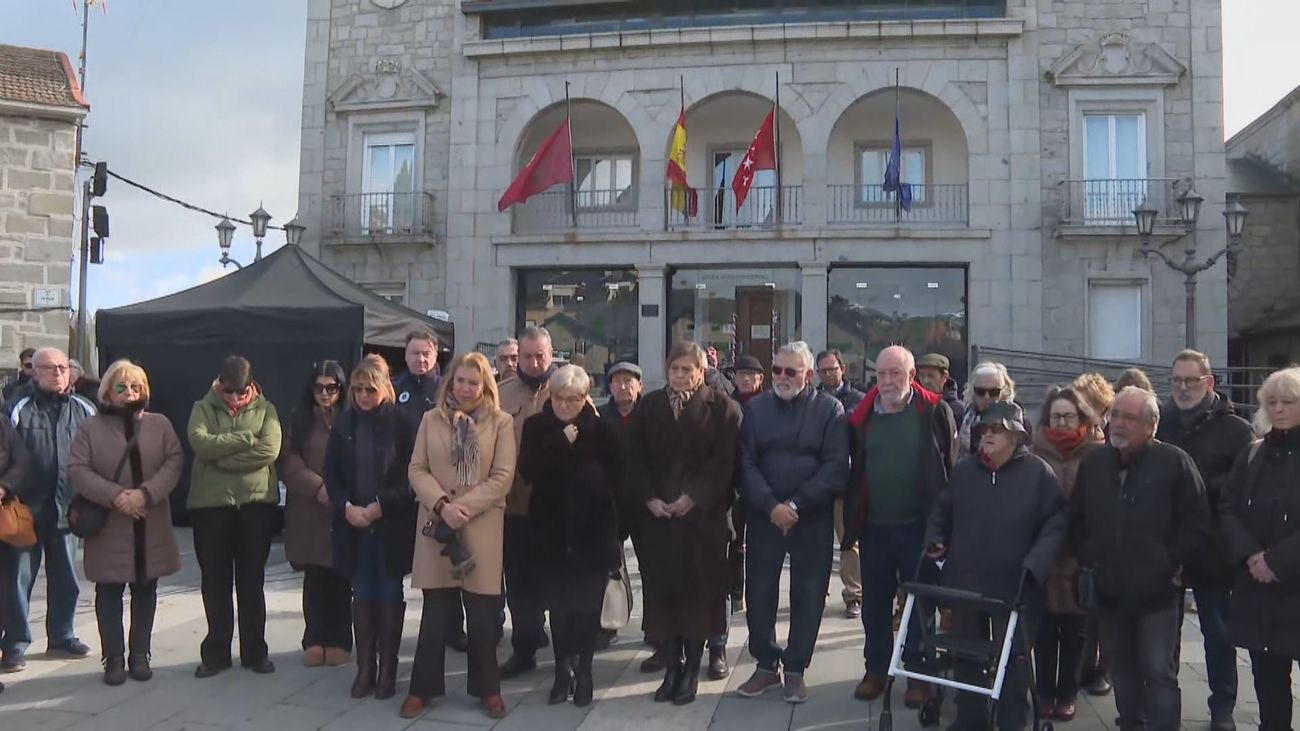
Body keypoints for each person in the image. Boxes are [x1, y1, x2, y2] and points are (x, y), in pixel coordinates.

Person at [1070, 386, 1211, 731]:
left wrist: (1167, 562)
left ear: (1151, 425)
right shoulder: (1094, 462)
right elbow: (1077, 518)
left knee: (1158, 672)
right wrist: (1090, 558)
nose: (1117, 423)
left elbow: (1197, 523)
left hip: (1156, 593)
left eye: (1128, 417)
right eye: (1114, 414)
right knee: (1122, 669)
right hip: (1109, 591)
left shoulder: (1174, 462)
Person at [927, 401, 1067, 731]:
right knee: (967, 653)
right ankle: (970, 718)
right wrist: (934, 538)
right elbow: (941, 510)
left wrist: (1035, 564)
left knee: (1014, 658)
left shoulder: (1038, 473)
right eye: (984, 429)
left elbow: (1056, 523)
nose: (987, 434)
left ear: (1016, 436)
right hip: (966, 580)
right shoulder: (964, 471)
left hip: (1015, 584)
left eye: (996, 429)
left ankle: (1012, 721)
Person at [843, 345, 956, 708]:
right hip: (874, 528)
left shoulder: (934, 411)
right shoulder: (862, 416)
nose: (888, 381)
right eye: (882, 374)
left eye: (896, 374)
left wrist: (943, 528)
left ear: (911, 376)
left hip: (918, 528)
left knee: (920, 604)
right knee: (874, 604)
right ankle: (877, 670)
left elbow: (948, 471)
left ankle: (917, 674)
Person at [403, 352, 515, 720]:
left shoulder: (501, 423)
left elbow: (502, 478)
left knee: (482, 615)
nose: (465, 389)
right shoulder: (430, 420)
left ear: (485, 386)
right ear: (450, 383)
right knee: (436, 614)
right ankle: (422, 689)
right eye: (460, 381)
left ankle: (488, 690)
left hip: (479, 524)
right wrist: (441, 505)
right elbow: (417, 469)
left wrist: (462, 507)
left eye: (473, 382)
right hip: (438, 525)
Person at [736, 342, 849, 704]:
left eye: (791, 372)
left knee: (809, 593)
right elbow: (746, 465)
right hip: (765, 515)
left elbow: (835, 466)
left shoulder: (830, 409)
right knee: (759, 591)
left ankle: (796, 668)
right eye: (777, 371)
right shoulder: (756, 409)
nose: (782, 378)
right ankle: (766, 665)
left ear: (809, 375)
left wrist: (796, 505)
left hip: (810, 516)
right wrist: (772, 507)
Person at [628, 341, 740, 705]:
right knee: (664, 595)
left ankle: (692, 667)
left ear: (701, 371)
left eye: (687, 369)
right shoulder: (650, 406)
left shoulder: (721, 407)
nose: (680, 375)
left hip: (701, 521)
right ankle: (672, 667)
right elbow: (635, 459)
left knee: (698, 596)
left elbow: (724, 463)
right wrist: (650, 499)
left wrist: (692, 498)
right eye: (674, 368)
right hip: (659, 521)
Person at [67, 360, 182, 686]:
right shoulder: (91, 427)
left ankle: (140, 655)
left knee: (146, 590)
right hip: (110, 525)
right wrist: (117, 496)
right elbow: (77, 468)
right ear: (108, 391)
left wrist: (144, 495)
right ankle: (113, 657)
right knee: (109, 592)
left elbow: (174, 462)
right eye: (122, 387)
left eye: (135, 386)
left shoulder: (160, 424)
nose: (129, 392)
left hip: (150, 520)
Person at [1155, 350, 1253, 731]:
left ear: (1209, 383)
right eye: (1177, 380)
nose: (1182, 388)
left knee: (1218, 632)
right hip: (1170, 545)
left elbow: (1240, 491)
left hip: (1215, 548)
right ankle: (1164, 705)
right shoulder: (1161, 423)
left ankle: (1223, 707)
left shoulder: (1236, 430)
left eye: (1191, 380)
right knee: (1165, 633)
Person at [519, 365, 622, 707]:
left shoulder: (602, 430)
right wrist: (559, 443)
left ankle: (586, 670)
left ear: (584, 398)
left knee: (587, 609)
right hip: (550, 533)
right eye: (558, 398)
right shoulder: (537, 427)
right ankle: (562, 670)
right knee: (559, 609)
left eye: (572, 399)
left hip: (593, 535)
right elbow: (528, 471)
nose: (564, 405)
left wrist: (616, 536)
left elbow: (617, 481)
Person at [323, 355, 418, 700]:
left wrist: (381, 505)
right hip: (354, 524)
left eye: (370, 389)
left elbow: (412, 473)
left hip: (389, 522)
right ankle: (366, 669)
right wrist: (346, 506)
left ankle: (388, 671)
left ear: (384, 389)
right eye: (358, 389)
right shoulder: (344, 424)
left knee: (389, 594)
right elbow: (330, 473)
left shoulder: (404, 423)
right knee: (361, 594)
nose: (363, 395)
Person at [186, 355, 282, 678]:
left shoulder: (266, 410)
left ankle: (255, 651)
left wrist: (223, 460)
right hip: (211, 506)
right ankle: (216, 653)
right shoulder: (202, 407)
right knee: (215, 581)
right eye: (228, 392)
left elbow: (269, 450)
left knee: (251, 581)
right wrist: (244, 440)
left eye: (241, 393)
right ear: (219, 384)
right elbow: (201, 444)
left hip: (255, 505)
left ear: (251, 386)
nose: (235, 398)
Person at [1, 346, 96, 672]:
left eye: (62, 367)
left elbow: (97, 454)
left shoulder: (85, 409)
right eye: (50, 368)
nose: (58, 373)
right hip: (24, 510)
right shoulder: (17, 407)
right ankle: (14, 644)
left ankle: (62, 636)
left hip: (68, 509)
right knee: (17, 581)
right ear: (34, 372)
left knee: (66, 577)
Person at [1219, 367, 1300, 731]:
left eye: (1289, 401)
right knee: (1269, 688)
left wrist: (1276, 562)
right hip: (1259, 593)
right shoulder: (1253, 454)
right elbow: (1228, 506)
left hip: (1293, 585)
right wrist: (1252, 555)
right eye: (1272, 402)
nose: (1279, 408)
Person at [1030, 386, 1105, 722]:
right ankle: (1044, 692)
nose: (1061, 422)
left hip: (1080, 555)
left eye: (1068, 416)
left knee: (1077, 633)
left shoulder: (1097, 452)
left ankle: (1068, 693)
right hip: (1044, 555)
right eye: (1056, 416)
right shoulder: (1033, 451)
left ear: (1082, 418)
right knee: (1044, 631)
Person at [278, 361, 351, 668]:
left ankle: (339, 640)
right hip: (310, 509)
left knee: (340, 579)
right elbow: (288, 460)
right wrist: (317, 486)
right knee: (314, 579)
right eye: (319, 387)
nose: (324, 393)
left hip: (342, 509)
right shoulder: (300, 418)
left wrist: (336, 490)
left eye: (331, 387)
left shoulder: (350, 418)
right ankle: (314, 638)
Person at [497, 326, 556, 679]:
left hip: (556, 507)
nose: (534, 364)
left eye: (540, 357)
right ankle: (524, 648)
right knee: (518, 582)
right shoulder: (501, 394)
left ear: (551, 355)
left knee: (556, 579)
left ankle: (562, 651)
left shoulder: (569, 389)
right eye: (527, 356)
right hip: (514, 505)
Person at [1068, 371, 1116, 696]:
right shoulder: (1074, 434)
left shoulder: (1109, 437)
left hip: (1104, 532)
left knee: (1102, 610)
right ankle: (1084, 666)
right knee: (1082, 606)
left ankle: (1102, 669)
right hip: (1077, 526)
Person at [816, 348, 865, 619]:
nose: (828, 374)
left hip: (847, 482)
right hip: (819, 482)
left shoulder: (858, 399)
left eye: (832, 369)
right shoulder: (811, 399)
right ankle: (818, 593)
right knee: (818, 542)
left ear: (842, 369)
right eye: (823, 370)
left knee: (849, 541)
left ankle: (853, 596)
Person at [597, 360, 641, 651]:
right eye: (617, 381)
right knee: (607, 567)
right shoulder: (599, 416)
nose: (623, 386)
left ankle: (656, 629)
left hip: (643, 502)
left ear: (640, 385)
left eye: (629, 381)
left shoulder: (650, 415)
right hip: (609, 503)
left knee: (652, 568)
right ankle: (607, 625)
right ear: (609, 386)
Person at [0, 387, 29, 689]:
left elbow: (21, 461)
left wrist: (4, 487)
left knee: (4, 591)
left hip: (1, 516)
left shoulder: (2, 423)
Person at [958, 361, 1024, 459]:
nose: (987, 397)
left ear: (1004, 391)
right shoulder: (963, 416)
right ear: (973, 391)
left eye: (994, 392)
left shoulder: (1015, 419)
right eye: (980, 391)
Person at [916, 353, 965, 427]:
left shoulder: (958, 410)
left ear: (945, 377)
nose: (925, 381)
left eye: (931, 376)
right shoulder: (913, 405)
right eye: (922, 375)